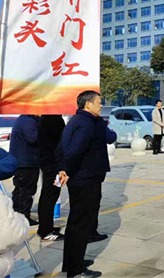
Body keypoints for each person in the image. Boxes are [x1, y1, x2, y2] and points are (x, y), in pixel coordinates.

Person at [60, 90, 111, 278]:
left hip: (81, 177)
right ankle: (76, 270)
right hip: (86, 178)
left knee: (75, 222)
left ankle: (72, 262)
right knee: (82, 224)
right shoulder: (87, 123)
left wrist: (63, 169)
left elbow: (62, 147)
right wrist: (68, 170)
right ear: (88, 104)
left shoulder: (76, 120)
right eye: (99, 102)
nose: (101, 105)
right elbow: (75, 151)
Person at [37, 115, 65, 241]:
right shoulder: (53, 119)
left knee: (49, 195)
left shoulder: (46, 118)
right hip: (53, 164)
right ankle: (46, 231)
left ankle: (47, 227)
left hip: (48, 162)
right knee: (50, 195)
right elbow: (60, 142)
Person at [9, 114, 40, 226]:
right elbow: (33, 138)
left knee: (20, 189)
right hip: (27, 162)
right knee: (26, 190)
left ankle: (17, 214)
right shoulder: (28, 121)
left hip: (22, 161)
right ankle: (23, 216)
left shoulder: (24, 119)